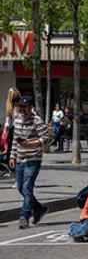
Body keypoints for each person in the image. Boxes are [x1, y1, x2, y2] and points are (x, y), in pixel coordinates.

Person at [9, 95, 49, 229]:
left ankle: (24, 216)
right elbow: (15, 138)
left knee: (27, 187)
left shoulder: (37, 121)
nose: (22, 109)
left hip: (33, 159)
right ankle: (38, 208)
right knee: (20, 187)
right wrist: (12, 156)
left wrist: (32, 142)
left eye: (25, 107)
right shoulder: (17, 119)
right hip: (20, 158)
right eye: (21, 107)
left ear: (31, 107)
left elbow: (46, 138)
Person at [0, 87, 21, 160]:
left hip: (16, 129)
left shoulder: (12, 107)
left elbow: (7, 122)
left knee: (13, 149)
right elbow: (8, 121)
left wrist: (5, 132)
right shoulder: (14, 107)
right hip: (18, 129)